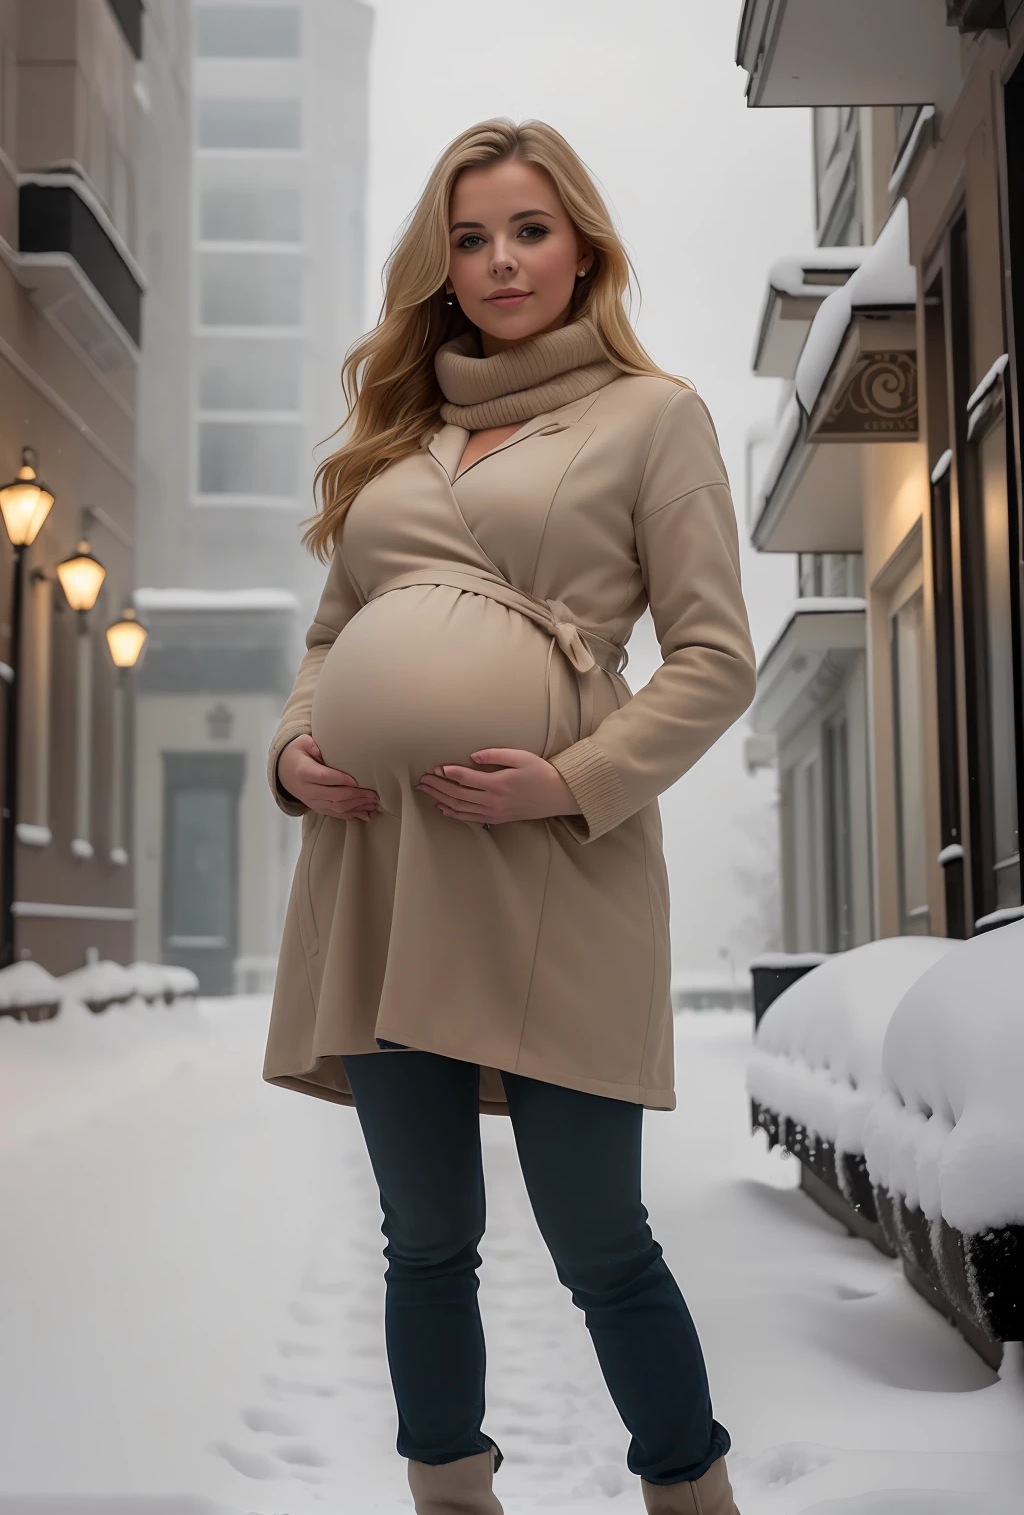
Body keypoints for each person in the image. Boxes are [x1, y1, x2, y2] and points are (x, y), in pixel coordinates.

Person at [265, 118, 756, 1515]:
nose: (499, 261)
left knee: (601, 1235)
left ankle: (688, 1494)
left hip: (555, 866)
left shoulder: (651, 419)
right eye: (469, 238)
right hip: (378, 867)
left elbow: (717, 658)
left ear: (582, 243)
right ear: (441, 264)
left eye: (528, 229)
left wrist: (575, 781)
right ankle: (450, 1494)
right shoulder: (396, 441)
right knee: (423, 1235)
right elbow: (330, 635)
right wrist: (299, 747)